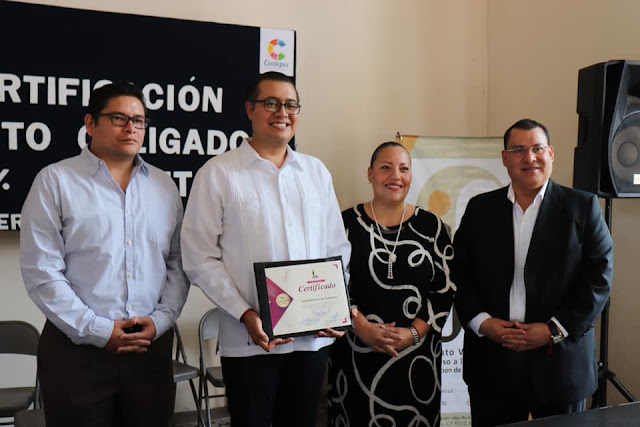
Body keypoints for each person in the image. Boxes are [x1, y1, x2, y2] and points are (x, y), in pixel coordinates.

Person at [180, 71, 351, 427]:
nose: (282, 113)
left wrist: (334, 307)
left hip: (312, 340)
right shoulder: (218, 173)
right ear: (250, 109)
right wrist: (244, 312)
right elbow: (198, 256)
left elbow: (336, 246)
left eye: (291, 105)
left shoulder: (315, 172)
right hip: (250, 340)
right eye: (271, 103)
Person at [20, 81, 190, 427]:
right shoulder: (55, 181)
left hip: (150, 349)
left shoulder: (164, 185)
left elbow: (177, 262)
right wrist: (98, 330)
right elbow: (42, 272)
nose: (131, 128)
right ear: (90, 123)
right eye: (118, 118)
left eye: (139, 121)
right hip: (77, 352)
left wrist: (161, 320)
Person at [452, 118, 613, 426]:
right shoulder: (480, 209)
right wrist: (483, 323)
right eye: (518, 150)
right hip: (492, 361)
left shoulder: (583, 207)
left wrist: (554, 330)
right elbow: (459, 273)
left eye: (537, 149)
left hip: (560, 363)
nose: (529, 158)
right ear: (505, 158)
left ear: (550, 153)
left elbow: (599, 281)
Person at [326, 141, 455, 426]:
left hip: (417, 362)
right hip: (355, 357)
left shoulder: (432, 228)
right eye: (386, 167)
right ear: (370, 173)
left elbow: (444, 290)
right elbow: (329, 284)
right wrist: (360, 326)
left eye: (404, 169)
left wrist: (413, 333)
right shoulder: (343, 224)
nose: (395, 176)